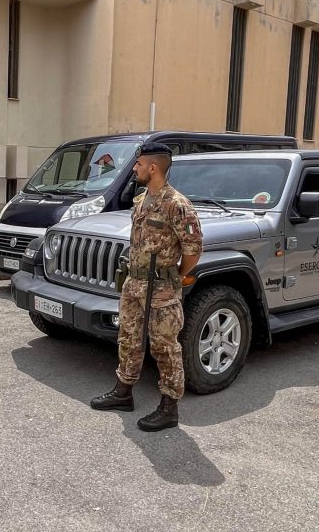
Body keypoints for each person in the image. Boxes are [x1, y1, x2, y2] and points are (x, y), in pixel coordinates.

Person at [90, 142, 202, 432]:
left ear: (153, 167)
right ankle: (123, 391)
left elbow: (193, 249)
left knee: (164, 347)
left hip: (161, 287)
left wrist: (175, 273)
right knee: (128, 338)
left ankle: (168, 408)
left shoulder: (177, 205)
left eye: (138, 164)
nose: (135, 168)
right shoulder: (141, 200)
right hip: (134, 283)